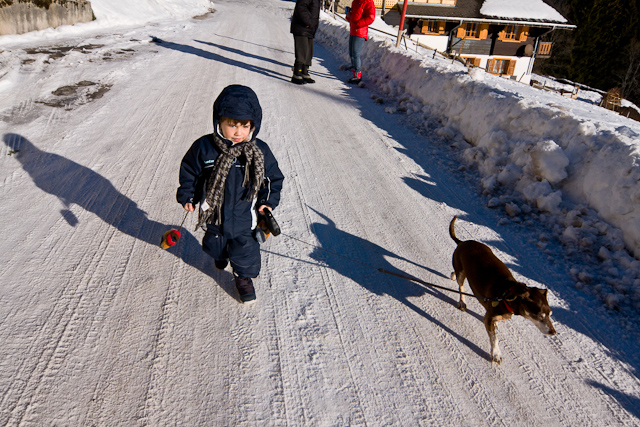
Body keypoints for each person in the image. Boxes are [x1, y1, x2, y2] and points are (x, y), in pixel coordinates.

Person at [176, 85, 284, 303]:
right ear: (219, 122)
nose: (238, 132)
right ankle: (220, 255)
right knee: (214, 246)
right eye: (231, 125)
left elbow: (272, 178)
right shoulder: (205, 148)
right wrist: (188, 195)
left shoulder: (258, 151)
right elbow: (191, 173)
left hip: (245, 218)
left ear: (253, 125)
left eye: (244, 126)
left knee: (245, 252)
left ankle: (243, 277)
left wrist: (267, 202)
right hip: (215, 216)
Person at [290, 0, 322, 84]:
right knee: (302, 51)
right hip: (302, 27)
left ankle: (304, 72)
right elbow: (300, 7)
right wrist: (308, 22)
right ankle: (297, 73)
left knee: (308, 51)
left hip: (309, 29)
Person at [346, 0, 376, 84]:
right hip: (353, 31)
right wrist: (348, 16)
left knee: (355, 53)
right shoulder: (355, 1)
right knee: (351, 53)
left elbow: (371, 18)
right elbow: (354, 17)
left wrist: (358, 24)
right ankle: (354, 73)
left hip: (360, 32)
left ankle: (357, 75)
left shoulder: (368, 2)